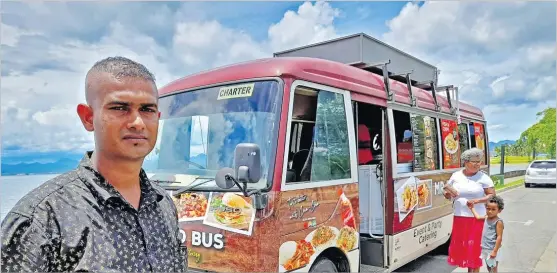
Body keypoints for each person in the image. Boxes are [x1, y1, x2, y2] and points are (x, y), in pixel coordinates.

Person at [0, 57, 188, 272]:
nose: (138, 122)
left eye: (147, 110)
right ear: (88, 117)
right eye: (120, 108)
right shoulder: (42, 219)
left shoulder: (163, 205)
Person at [443, 147, 496, 272]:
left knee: (474, 250)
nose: (478, 164)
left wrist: (477, 201)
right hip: (460, 217)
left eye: (479, 161)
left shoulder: (483, 178)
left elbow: (492, 195)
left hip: (476, 218)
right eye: (474, 161)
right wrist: (448, 193)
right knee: (463, 249)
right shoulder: (456, 176)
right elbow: (447, 193)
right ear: (466, 162)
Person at [468, 196, 505, 273]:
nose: (490, 211)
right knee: (489, 267)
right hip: (485, 248)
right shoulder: (486, 217)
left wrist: (495, 251)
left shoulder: (498, 222)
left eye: (493, 209)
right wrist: (472, 208)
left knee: (492, 268)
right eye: (488, 209)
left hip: (492, 249)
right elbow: (478, 217)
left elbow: (499, 237)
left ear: (499, 210)